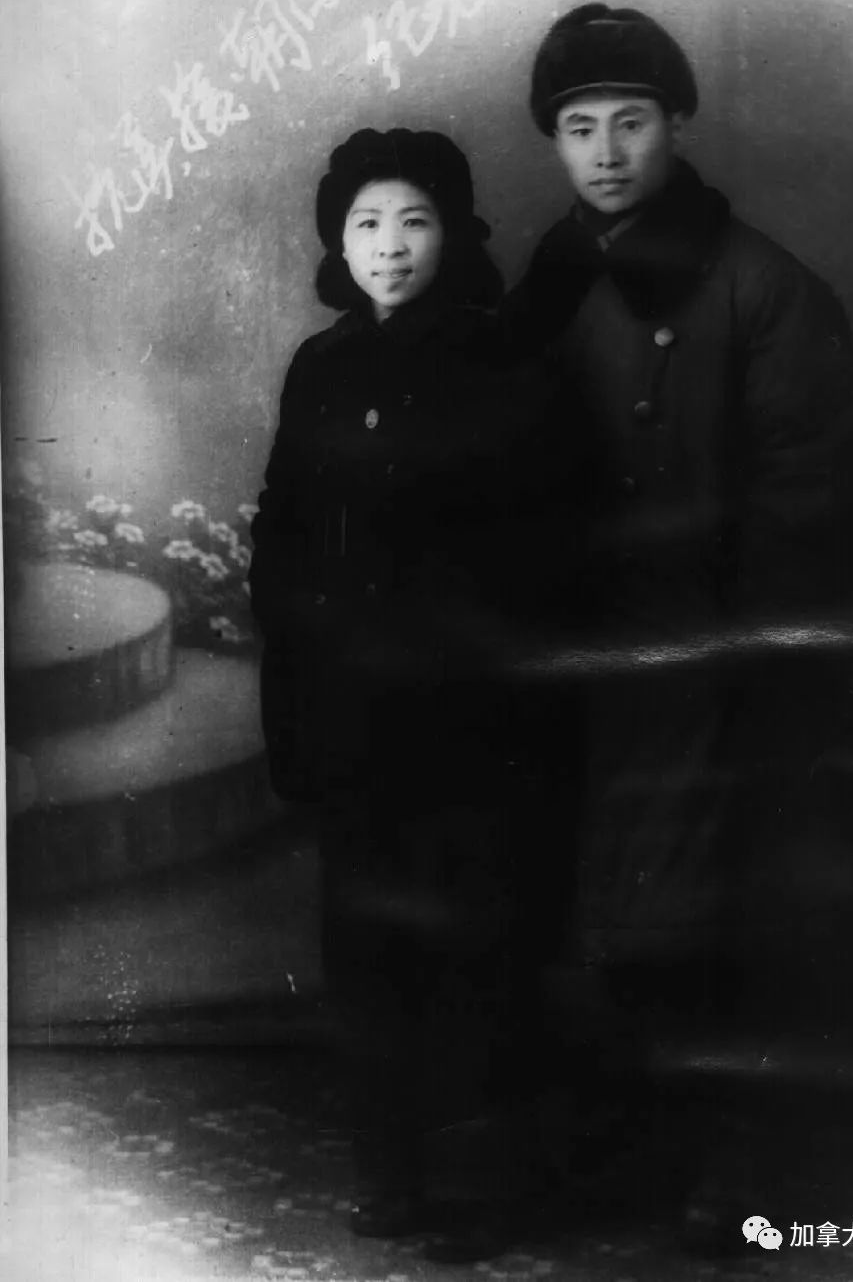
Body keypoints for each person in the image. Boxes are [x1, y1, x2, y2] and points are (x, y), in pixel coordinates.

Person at [502, 1, 853, 1214]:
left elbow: (809, 509)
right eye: (578, 128)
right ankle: (620, 1141)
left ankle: (725, 1163)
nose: (605, 152)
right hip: (574, 651)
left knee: (706, 918)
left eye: (630, 122)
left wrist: (738, 661)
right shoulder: (549, 277)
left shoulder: (761, 287)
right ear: (554, 142)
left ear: (677, 125)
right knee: (588, 906)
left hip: (704, 659)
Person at [249, 128, 583, 1263]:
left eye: (414, 221)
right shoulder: (322, 366)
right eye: (365, 224)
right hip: (356, 720)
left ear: (453, 235)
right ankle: (389, 1171)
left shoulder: (505, 361)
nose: (388, 246)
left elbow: (548, 554)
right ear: (338, 244)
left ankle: (495, 1181)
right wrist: (302, 659)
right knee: (367, 948)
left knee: (484, 945)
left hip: (473, 722)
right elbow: (283, 530)